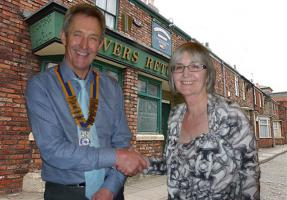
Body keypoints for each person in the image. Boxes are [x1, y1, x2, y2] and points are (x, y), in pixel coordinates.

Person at [26, 4, 148, 200]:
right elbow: (53, 150)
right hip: (65, 194)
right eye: (77, 35)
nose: (84, 45)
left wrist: (110, 188)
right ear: (64, 36)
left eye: (93, 38)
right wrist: (115, 157)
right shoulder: (41, 87)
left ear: (100, 45)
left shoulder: (112, 87)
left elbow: (122, 142)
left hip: (113, 193)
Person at [148, 42, 260, 199]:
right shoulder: (176, 116)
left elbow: (249, 178)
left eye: (194, 66)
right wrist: (142, 164)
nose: (185, 73)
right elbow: (173, 165)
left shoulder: (230, 114)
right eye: (179, 67)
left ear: (207, 74)